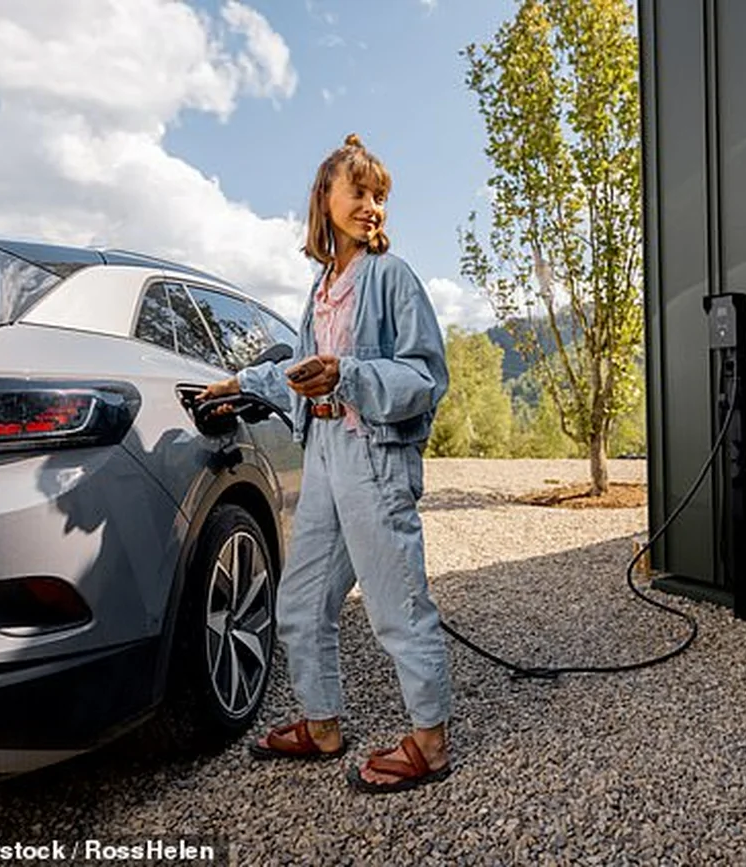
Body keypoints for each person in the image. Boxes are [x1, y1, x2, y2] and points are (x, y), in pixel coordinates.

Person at [195, 133, 452, 794]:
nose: (372, 207)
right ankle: (322, 723)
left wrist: (349, 374)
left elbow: (425, 376)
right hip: (325, 453)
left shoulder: (391, 277)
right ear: (325, 198)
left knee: (396, 603)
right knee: (301, 600)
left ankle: (430, 742)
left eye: (379, 196)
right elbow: (301, 372)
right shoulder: (322, 288)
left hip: (373, 454)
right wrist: (241, 383)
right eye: (359, 192)